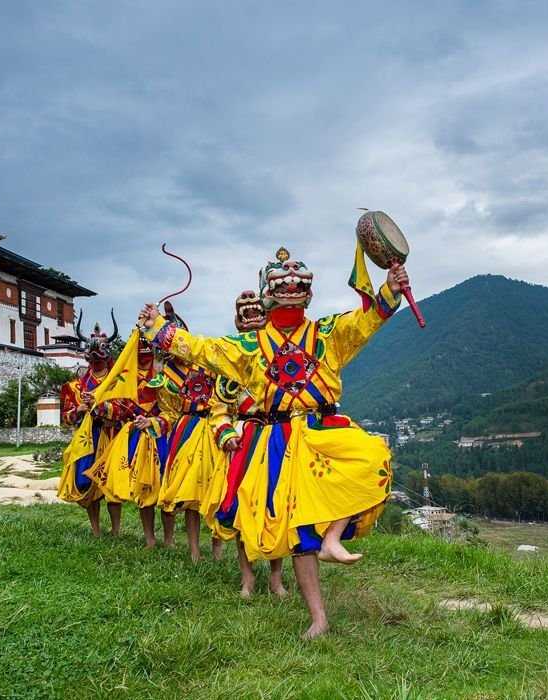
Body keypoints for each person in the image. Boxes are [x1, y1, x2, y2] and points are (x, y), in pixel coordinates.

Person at [138, 245, 407, 638]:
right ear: (268, 292)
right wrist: (158, 328)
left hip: (321, 429)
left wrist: (390, 289)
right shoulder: (247, 347)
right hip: (275, 441)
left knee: (374, 459)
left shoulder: (326, 334)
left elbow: (365, 321)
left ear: (309, 293)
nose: (293, 287)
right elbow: (202, 349)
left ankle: (332, 537)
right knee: (297, 532)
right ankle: (318, 617)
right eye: (284, 283)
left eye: (300, 283)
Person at [205, 290, 286, 599]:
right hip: (246, 443)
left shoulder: (281, 356)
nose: (252, 316)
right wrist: (226, 432)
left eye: (257, 311)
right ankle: (247, 579)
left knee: (277, 509)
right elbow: (219, 408)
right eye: (245, 313)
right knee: (241, 512)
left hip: (279, 437)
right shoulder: (231, 365)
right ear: (238, 321)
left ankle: (276, 579)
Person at [148, 304, 230, 562]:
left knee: (217, 489)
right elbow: (169, 413)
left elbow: (227, 396)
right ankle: (194, 550)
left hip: (214, 427)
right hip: (186, 431)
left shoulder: (208, 363)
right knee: (190, 495)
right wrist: (151, 424)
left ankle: (217, 549)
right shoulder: (166, 375)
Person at [96, 329, 172, 548]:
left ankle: (169, 540)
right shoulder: (126, 376)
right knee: (143, 487)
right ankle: (149, 539)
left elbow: (173, 408)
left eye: (149, 344)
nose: (145, 349)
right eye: (141, 345)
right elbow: (119, 407)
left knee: (165, 486)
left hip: (163, 435)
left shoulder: (165, 374)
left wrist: (157, 421)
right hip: (136, 437)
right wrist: (100, 405)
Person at [57, 312, 124, 537]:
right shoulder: (75, 386)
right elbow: (65, 417)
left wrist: (102, 408)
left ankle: (115, 530)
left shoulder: (117, 382)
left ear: (107, 358)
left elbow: (125, 409)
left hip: (111, 435)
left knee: (111, 485)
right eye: (93, 358)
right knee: (85, 482)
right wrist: (79, 410)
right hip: (86, 439)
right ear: (87, 358)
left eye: (100, 358)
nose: (96, 362)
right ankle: (96, 530)